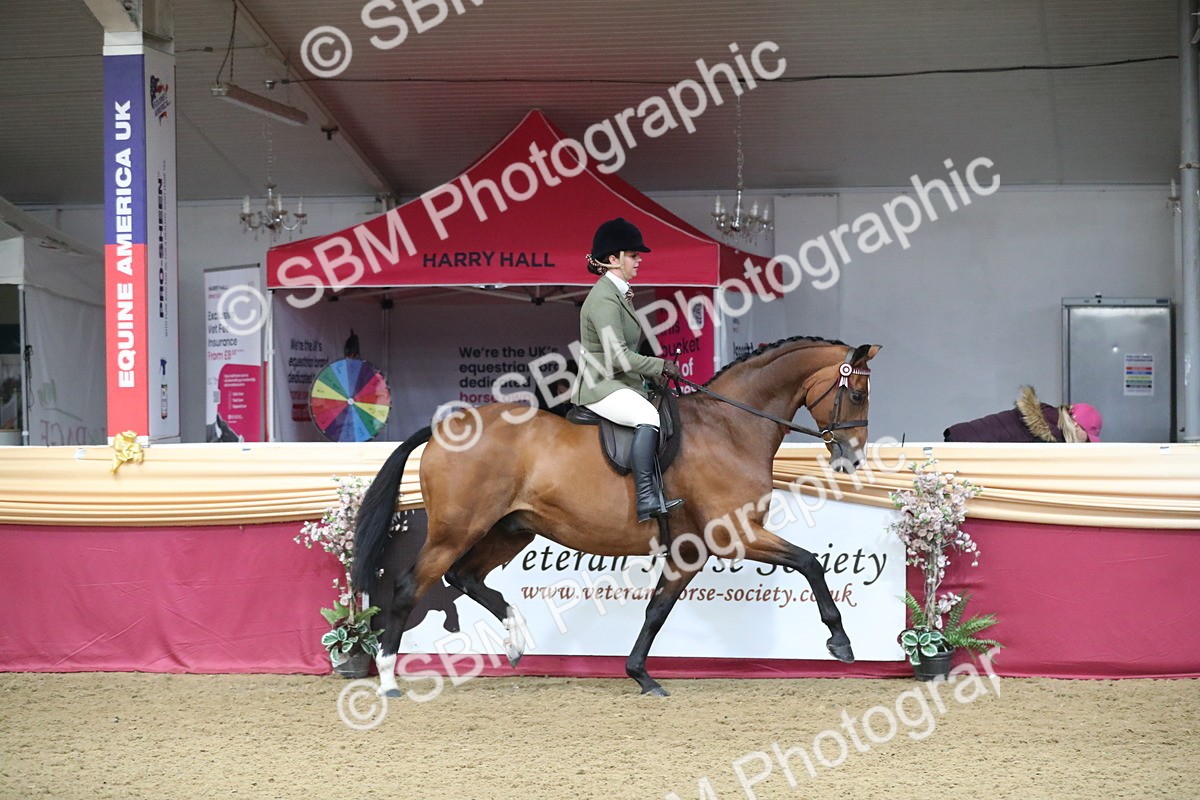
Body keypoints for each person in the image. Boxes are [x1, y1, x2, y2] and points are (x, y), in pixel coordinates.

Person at [572, 217, 683, 522]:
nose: (639, 260)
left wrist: (652, 376)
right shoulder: (604, 299)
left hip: (619, 381)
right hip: (600, 384)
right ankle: (646, 498)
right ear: (613, 259)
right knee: (648, 416)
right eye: (633, 255)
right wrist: (660, 365)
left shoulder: (618, 294)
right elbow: (620, 356)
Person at [943, 386, 1102, 443]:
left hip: (962, 436)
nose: (1085, 443)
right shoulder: (1052, 433)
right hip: (965, 445)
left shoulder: (1050, 418)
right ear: (1076, 425)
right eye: (1086, 437)